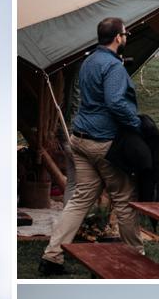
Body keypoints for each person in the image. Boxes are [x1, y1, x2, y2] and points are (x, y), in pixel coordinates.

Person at [38, 17, 144, 273]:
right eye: (125, 34)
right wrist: (136, 123)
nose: (125, 37)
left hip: (80, 139)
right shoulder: (113, 66)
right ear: (118, 37)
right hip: (102, 142)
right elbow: (115, 102)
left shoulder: (88, 61)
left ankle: (52, 256)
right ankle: (136, 257)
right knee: (124, 197)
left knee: (80, 199)